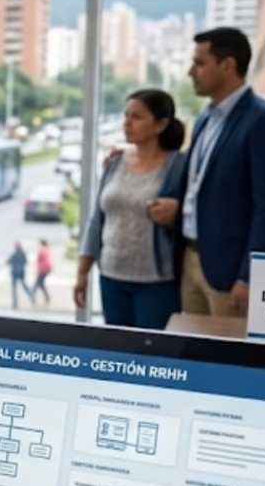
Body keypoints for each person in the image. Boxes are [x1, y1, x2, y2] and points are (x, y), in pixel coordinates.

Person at [158, 27, 265, 317]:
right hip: (192, 260)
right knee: (193, 358)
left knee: (232, 359)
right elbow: (204, 187)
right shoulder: (206, 116)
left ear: (227, 65)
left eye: (199, 62)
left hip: (232, 275)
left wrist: (249, 276)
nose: (190, 72)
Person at [74, 89, 185, 329]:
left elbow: (194, 215)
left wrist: (176, 213)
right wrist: (83, 272)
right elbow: (97, 221)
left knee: (154, 356)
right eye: (126, 115)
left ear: (160, 124)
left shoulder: (178, 166)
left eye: (136, 117)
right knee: (118, 355)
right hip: (112, 277)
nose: (127, 123)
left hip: (157, 282)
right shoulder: (115, 163)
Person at [7, 242, 31, 310]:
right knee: (24, 285)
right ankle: (31, 296)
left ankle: (15, 303)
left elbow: (8, 262)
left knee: (14, 289)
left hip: (14, 272)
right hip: (21, 272)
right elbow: (26, 262)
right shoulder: (23, 254)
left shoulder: (14, 254)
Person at [32, 239, 52, 304]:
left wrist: (36, 270)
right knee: (41, 284)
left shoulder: (41, 251)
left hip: (42, 269)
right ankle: (47, 297)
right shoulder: (47, 249)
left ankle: (32, 297)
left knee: (36, 284)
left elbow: (38, 260)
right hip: (46, 269)